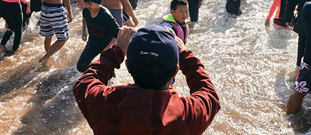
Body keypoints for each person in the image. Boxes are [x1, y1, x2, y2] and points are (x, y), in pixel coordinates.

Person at [73, 25, 221, 134]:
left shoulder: (105, 104)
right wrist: (184, 55)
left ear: (127, 66)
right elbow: (209, 95)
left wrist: (117, 51)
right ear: (175, 73)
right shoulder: (184, 115)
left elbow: (85, 83)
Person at [77, 0, 120, 72]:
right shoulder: (86, 11)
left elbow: (117, 33)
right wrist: (84, 32)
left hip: (106, 44)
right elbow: (84, 18)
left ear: (98, 2)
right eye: (86, 3)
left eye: (90, 3)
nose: (87, 6)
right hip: (93, 42)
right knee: (81, 67)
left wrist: (107, 48)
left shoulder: (105, 15)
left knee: (106, 70)